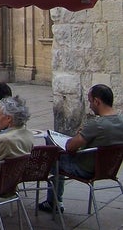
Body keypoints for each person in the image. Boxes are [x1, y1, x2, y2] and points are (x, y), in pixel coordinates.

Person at [40, 84, 123, 213]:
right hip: (109, 168)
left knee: (52, 158)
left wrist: (80, 135)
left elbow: (70, 147)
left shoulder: (96, 124)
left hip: (85, 168)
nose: (90, 106)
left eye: (90, 101)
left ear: (97, 101)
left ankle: (54, 202)